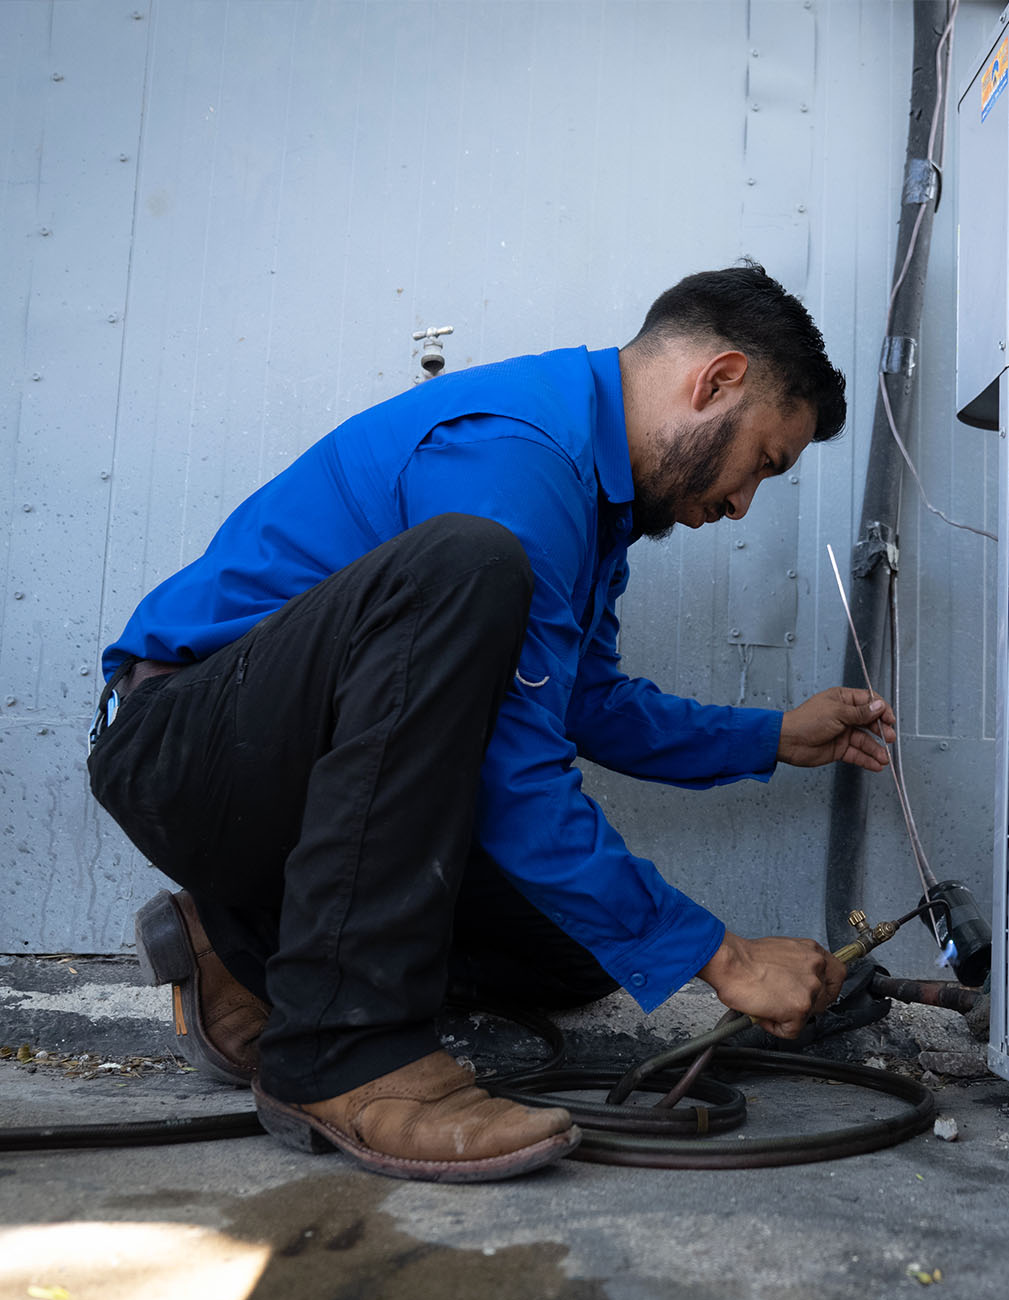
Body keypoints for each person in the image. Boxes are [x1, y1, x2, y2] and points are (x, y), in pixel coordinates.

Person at [87, 261, 896, 1183]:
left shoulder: (595, 504)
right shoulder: (517, 457)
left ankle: (241, 941)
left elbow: (581, 698)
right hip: (181, 747)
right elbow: (515, 772)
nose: (744, 503)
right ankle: (344, 1052)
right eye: (763, 462)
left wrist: (770, 737)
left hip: (289, 785)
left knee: (574, 955)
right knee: (470, 564)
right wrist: (726, 954)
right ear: (716, 382)